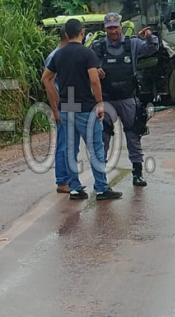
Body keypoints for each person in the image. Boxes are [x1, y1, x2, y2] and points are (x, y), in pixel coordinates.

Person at [42, 18, 123, 200]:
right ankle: (101, 188)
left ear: (66, 34)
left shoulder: (58, 55)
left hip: (68, 103)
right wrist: (100, 103)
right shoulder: (87, 53)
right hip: (86, 105)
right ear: (82, 33)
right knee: (95, 147)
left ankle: (74, 188)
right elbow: (94, 80)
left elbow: (46, 78)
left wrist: (57, 101)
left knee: (71, 147)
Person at [90, 12, 159, 187]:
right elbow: (87, 66)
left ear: (120, 26)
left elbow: (151, 49)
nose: (113, 31)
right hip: (106, 99)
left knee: (133, 135)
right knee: (103, 137)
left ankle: (137, 173)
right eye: (109, 28)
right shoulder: (97, 47)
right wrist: (96, 69)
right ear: (105, 28)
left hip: (128, 97)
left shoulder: (133, 43)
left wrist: (150, 37)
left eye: (115, 27)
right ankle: (101, 178)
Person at [45, 27, 70, 194]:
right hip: (61, 105)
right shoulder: (56, 56)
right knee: (63, 143)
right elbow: (48, 84)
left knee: (70, 143)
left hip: (69, 103)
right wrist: (56, 110)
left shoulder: (65, 54)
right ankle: (62, 181)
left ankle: (69, 179)